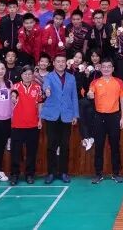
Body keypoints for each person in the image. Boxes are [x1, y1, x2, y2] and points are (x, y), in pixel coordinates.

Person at [41, 53, 79, 184]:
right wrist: (47, 90)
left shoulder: (71, 78)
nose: (61, 63)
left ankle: (63, 172)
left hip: (67, 115)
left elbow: (74, 97)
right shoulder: (49, 76)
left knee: (65, 145)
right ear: (53, 63)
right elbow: (46, 86)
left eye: (63, 61)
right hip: (52, 115)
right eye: (58, 61)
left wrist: (75, 114)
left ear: (66, 63)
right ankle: (51, 173)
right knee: (51, 145)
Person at [88, 58, 123, 183]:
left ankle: (116, 173)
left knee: (115, 146)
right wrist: (89, 95)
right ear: (100, 68)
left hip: (114, 117)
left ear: (113, 69)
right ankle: (98, 173)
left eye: (109, 66)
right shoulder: (95, 82)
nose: (106, 69)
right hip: (99, 117)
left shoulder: (119, 82)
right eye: (104, 66)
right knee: (99, 146)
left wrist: (122, 118)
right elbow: (90, 93)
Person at [10, 65, 43, 185]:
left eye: (30, 74)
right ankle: (14, 174)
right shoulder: (15, 86)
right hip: (17, 125)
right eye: (25, 74)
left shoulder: (37, 88)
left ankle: (30, 174)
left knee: (31, 152)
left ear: (33, 75)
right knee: (16, 152)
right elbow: (13, 96)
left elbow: (40, 104)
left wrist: (40, 120)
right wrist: (13, 98)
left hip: (33, 125)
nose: (27, 76)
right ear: (21, 75)